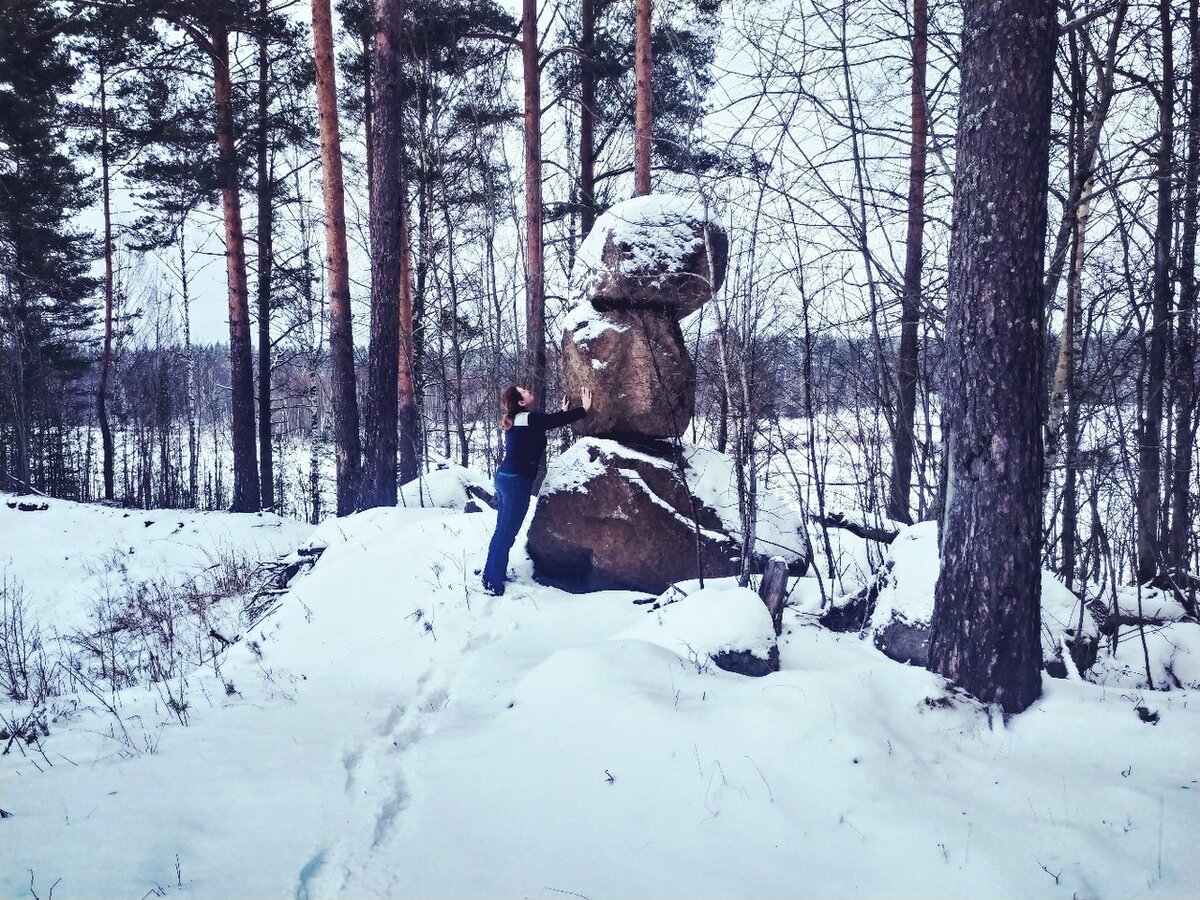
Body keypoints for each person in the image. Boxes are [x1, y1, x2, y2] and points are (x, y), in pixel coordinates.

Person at [482, 384, 592, 595]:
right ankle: (491, 581)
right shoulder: (528, 418)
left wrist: (563, 412)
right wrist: (584, 410)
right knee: (505, 534)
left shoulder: (520, 418)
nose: (528, 390)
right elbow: (552, 422)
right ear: (521, 402)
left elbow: (547, 423)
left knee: (502, 532)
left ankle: (494, 573)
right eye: (523, 391)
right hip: (515, 483)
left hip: (506, 479)